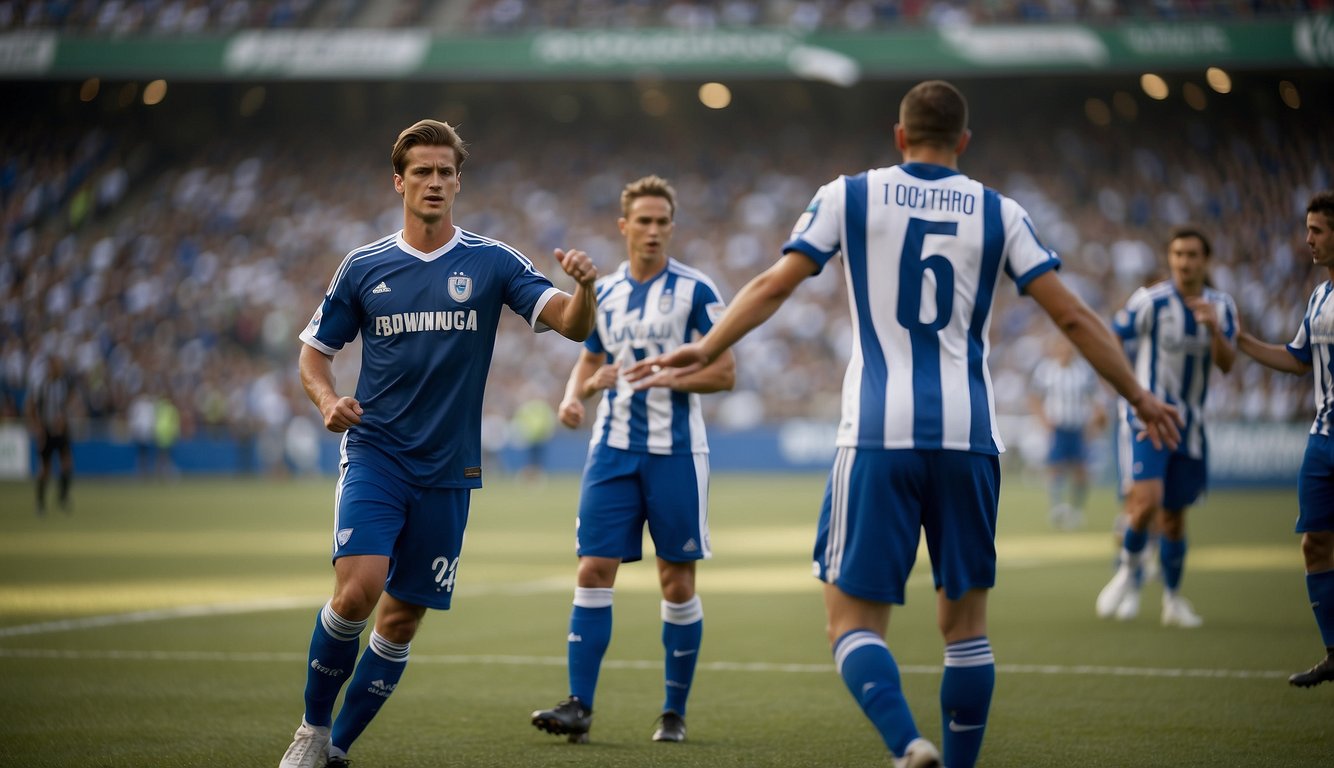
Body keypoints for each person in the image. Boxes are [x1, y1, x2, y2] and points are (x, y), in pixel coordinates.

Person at [626, 81, 1180, 768]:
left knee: (850, 623)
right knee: (967, 629)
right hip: (969, 436)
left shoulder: (849, 195)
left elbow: (776, 282)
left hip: (876, 434)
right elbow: (1071, 315)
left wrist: (706, 345)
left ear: (899, 135)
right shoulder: (999, 212)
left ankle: (907, 745)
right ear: (964, 142)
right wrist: (1138, 395)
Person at [277, 119, 599, 768]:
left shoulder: (492, 261)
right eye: (420, 171)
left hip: (450, 469)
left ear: (458, 182)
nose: (433, 181)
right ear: (399, 181)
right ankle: (311, 731)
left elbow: (568, 323)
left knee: (399, 622)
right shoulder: (365, 266)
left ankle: (338, 748)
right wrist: (327, 400)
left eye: (444, 172)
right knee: (357, 592)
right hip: (376, 454)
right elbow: (314, 355)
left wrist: (586, 289)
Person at [531, 175, 735, 745]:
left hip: (675, 454)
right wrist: (575, 396)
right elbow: (590, 357)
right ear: (624, 227)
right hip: (612, 452)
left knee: (676, 583)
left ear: (672, 227)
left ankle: (673, 711)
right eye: (642, 221)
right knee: (593, 570)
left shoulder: (696, 290)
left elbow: (725, 371)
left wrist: (672, 374)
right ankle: (579, 705)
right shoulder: (608, 292)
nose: (652, 231)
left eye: (662, 222)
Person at [1095, 227, 1237, 628]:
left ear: (1205, 260)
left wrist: (1212, 330)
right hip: (1148, 419)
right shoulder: (1151, 301)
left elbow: (1227, 364)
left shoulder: (1222, 307)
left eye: (1192, 254)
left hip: (1190, 425)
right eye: (1178, 254)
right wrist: (1130, 389)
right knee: (1144, 504)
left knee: (1174, 518)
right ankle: (1128, 570)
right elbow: (1111, 336)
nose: (1184, 262)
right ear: (1170, 258)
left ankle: (1172, 600)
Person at [1234, 190, 1334, 687]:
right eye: (1307, 229)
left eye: (1317, 230)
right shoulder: (1318, 296)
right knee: (1315, 544)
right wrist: (1241, 340)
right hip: (1322, 438)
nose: (1307, 240)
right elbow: (1297, 361)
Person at [1028, 334, 1107, 530]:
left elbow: (1096, 399)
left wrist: (1095, 422)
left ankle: (1077, 510)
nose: (1064, 350)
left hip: (1078, 426)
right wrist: (1044, 421)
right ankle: (1056, 508)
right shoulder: (1046, 370)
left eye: (1067, 347)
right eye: (1061, 346)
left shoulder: (1084, 371)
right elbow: (1034, 397)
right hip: (1058, 427)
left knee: (1081, 470)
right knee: (1055, 467)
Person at [25, 355, 78, 514]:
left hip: (61, 430)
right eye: (56, 365)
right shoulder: (41, 384)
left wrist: (64, 417)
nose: (59, 368)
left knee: (67, 463)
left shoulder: (63, 383)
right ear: (50, 366)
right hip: (46, 430)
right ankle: (40, 503)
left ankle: (63, 496)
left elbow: (70, 400)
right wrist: (37, 428)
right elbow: (31, 407)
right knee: (45, 469)